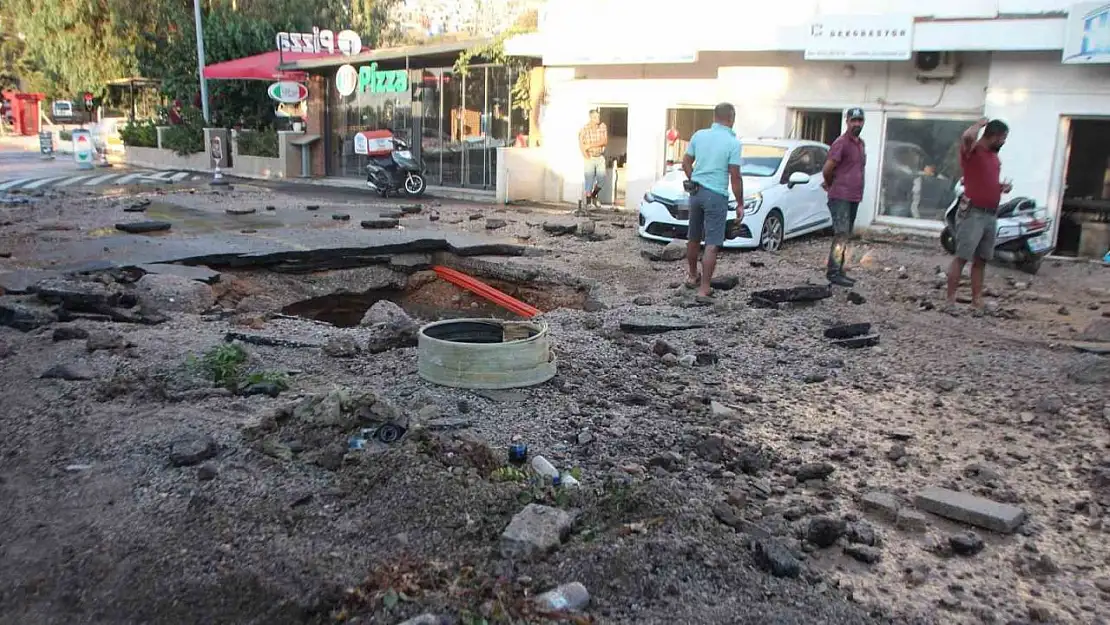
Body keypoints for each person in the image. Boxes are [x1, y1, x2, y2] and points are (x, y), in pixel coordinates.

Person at [946, 118, 1012, 312]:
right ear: (993, 136)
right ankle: (950, 300)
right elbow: (967, 136)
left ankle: (977, 301)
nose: (1003, 143)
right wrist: (980, 123)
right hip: (973, 213)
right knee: (962, 256)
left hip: (991, 214)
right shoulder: (973, 152)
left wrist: (1001, 187)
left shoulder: (993, 157)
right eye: (1002, 138)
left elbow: (985, 181)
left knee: (981, 259)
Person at [681, 102, 743, 298]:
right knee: (712, 242)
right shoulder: (733, 143)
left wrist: (694, 179)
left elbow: (686, 162)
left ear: (714, 117)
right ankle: (704, 288)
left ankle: (692, 276)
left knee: (693, 236)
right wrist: (740, 203)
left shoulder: (699, 135)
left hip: (696, 193)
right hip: (716, 194)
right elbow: (735, 176)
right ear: (732, 119)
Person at [821, 108, 867, 287]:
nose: (856, 124)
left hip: (854, 196)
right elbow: (828, 168)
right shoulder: (841, 143)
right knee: (840, 233)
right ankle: (833, 272)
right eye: (853, 120)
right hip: (840, 195)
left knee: (846, 234)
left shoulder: (860, 144)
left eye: (859, 121)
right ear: (847, 121)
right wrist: (830, 183)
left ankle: (839, 269)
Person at [578, 109, 608, 207]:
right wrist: (584, 154)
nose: (598, 119)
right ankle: (588, 203)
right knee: (589, 181)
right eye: (595, 117)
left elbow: (604, 141)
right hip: (590, 157)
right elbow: (581, 143)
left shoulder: (602, 126)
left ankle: (594, 195)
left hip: (600, 157)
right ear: (591, 118)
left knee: (602, 179)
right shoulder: (584, 129)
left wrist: (590, 145)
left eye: (598, 117)